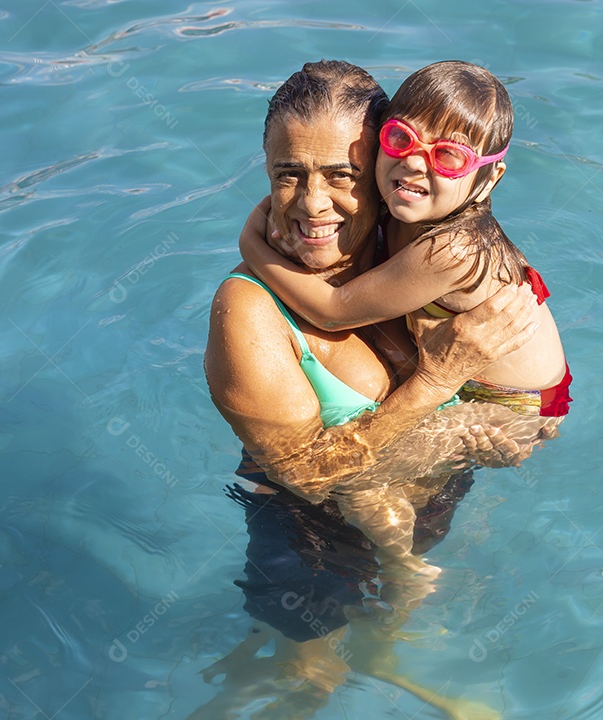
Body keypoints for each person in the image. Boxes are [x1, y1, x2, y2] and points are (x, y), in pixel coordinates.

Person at [203, 60, 543, 719]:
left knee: (382, 634)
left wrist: (506, 427)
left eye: (341, 175)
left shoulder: (413, 259)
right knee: (307, 682)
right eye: (288, 175)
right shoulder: (250, 310)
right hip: (312, 543)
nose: (311, 205)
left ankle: (379, 662)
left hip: (421, 510)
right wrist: (437, 381)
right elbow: (306, 476)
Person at [237, 60, 570, 575]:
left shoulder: (448, 249)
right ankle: (405, 573)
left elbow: (330, 311)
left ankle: (404, 572)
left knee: (365, 487)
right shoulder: (404, 216)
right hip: (312, 537)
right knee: (356, 486)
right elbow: (312, 476)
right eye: (401, 140)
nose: (416, 165)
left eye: (448, 157)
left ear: (488, 178)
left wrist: (255, 249)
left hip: (513, 405)